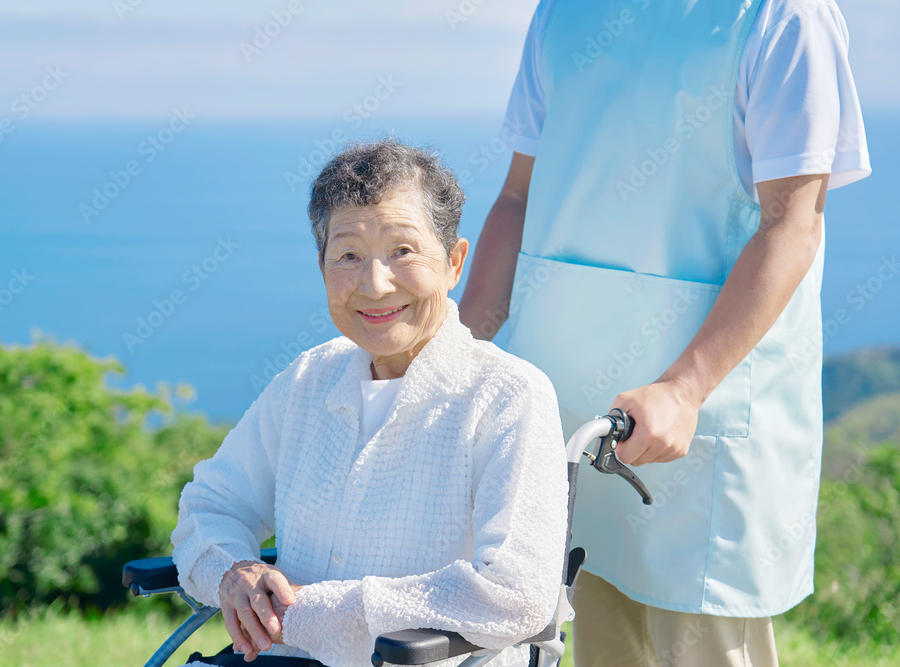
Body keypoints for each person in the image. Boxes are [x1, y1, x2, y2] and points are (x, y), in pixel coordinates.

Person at [459, 0, 871, 665]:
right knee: (586, 635)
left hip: (700, 420)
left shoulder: (783, 16)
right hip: (567, 417)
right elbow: (517, 198)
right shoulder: (564, 12)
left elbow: (792, 225)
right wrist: (457, 360)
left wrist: (684, 386)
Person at [171, 139, 570, 667]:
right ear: (323, 269)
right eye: (349, 256)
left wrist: (314, 612)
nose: (375, 284)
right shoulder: (308, 380)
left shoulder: (509, 396)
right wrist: (232, 572)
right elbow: (211, 505)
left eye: (403, 251)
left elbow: (516, 594)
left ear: (453, 262)